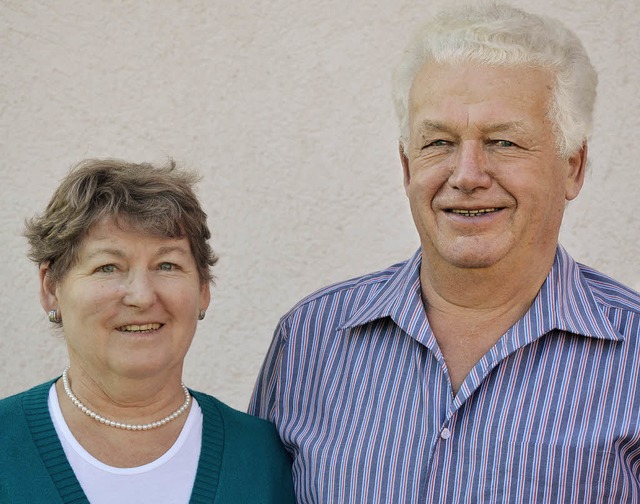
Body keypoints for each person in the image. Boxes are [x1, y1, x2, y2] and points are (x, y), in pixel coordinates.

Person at [249, 3, 640, 502]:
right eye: (439, 142)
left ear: (573, 167)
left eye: (503, 142)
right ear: (407, 166)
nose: (467, 175)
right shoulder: (311, 339)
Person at [0, 159, 295, 503]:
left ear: (203, 289)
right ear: (51, 288)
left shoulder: (266, 458)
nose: (141, 296)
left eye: (167, 265)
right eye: (107, 267)